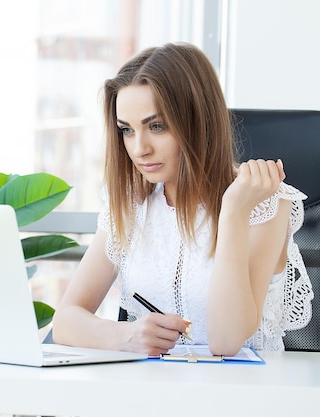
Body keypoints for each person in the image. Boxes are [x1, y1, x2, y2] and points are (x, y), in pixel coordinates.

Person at [52, 42, 313, 356]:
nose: (139, 148)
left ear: (198, 121)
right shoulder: (131, 203)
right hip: (154, 389)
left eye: (157, 126)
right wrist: (126, 335)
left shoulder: (264, 202)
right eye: (127, 130)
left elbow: (226, 341)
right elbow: (65, 322)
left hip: (242, 394)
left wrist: (232, 212)